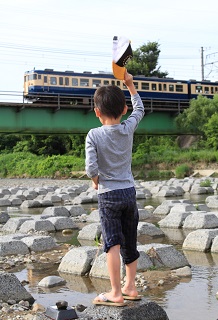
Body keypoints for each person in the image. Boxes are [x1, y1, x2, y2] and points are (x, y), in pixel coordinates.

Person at [85, 71, 145, 306]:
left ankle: (115, 293)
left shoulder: (93, 134)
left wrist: (95, 179)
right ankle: (130, 286)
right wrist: (130, 85)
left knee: (112, 243)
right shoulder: (128, 128)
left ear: (97, 112)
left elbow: (91, 167)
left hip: (108, 195)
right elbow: (140, 109)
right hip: (129, 192)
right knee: (130, 241)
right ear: (123, 110)